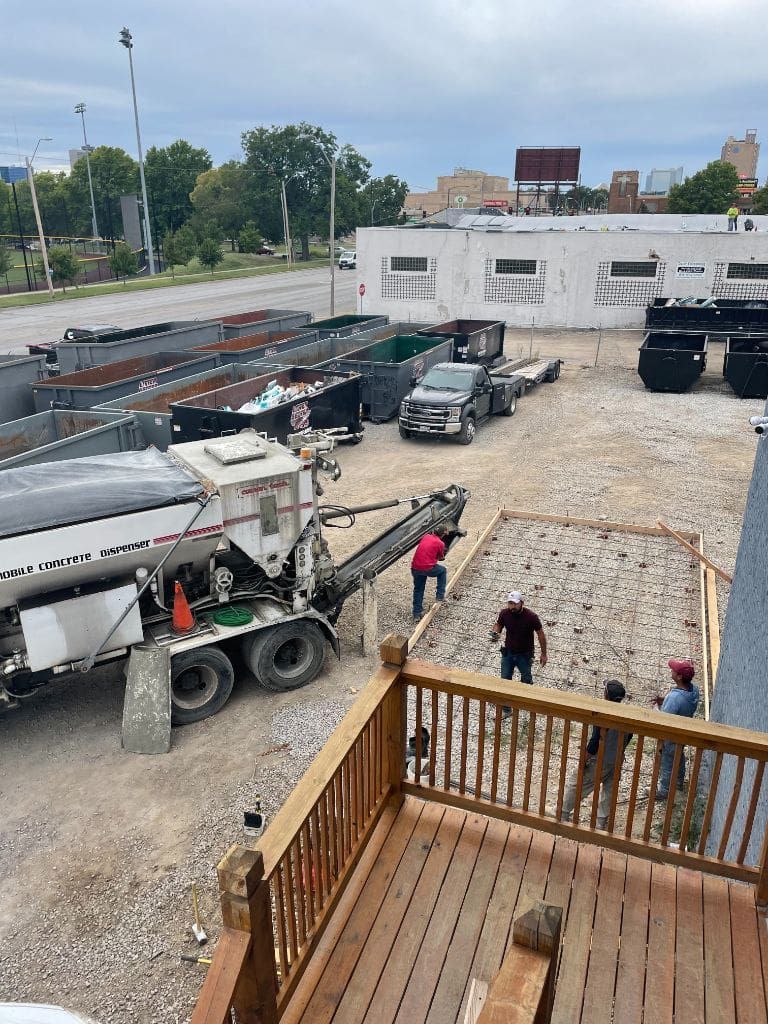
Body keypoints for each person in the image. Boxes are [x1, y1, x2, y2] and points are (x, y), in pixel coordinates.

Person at [561, 680, 632, 829]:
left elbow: (594, 743)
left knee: (577, 782)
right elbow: (629, 737)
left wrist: (584, 759)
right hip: (617, 759)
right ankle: (601, 822)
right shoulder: (627, 714)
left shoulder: (602, 714)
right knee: (609, 790)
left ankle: (563, 813)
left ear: (606, 695)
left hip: (600, 759)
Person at [489, 591, 547, 714]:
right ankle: (506, 710)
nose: (512, 607)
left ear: (522, 603)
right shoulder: (505, 613)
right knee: (504, 681)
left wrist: (544, 653)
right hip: (508, 653)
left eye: (514, 604)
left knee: (526, 680)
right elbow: (499, 624)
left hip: (525, 654)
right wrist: (495, 632)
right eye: (510, 603)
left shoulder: (531, 617)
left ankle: (525, 704)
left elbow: (541, 634)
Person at [652, 658, 699, 800]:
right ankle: (678, 783)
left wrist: (656, 708)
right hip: (683, 733)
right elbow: (678, 703)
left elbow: (663, 719)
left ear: (679, 676)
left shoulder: (674, 698)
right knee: (679, 756)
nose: (671, 670)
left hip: (670, 737)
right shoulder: (694, 690)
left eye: (674, 670)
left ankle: (665, 791)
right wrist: (663, 700)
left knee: (667, 763)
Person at [411, 525, 449, 621]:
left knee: (418, 589)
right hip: (427, 568)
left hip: (415, 568)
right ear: (443, 534)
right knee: (442, 571)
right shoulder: (440, 543)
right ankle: (440, 596)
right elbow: (441, 558)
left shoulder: (426, 536)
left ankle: (416, 613)